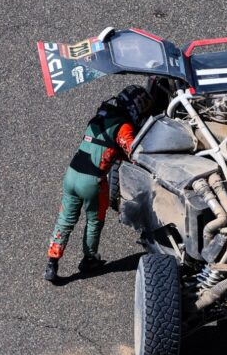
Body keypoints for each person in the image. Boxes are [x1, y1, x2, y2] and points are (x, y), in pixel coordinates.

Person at [44, 85, 153, 282]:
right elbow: (135, 153)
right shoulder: (124, 127)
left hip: (72, 173)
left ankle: (52, 263)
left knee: (66, 219)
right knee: (94, 221)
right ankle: (89, 258)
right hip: (92, 181)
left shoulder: (101, 115)